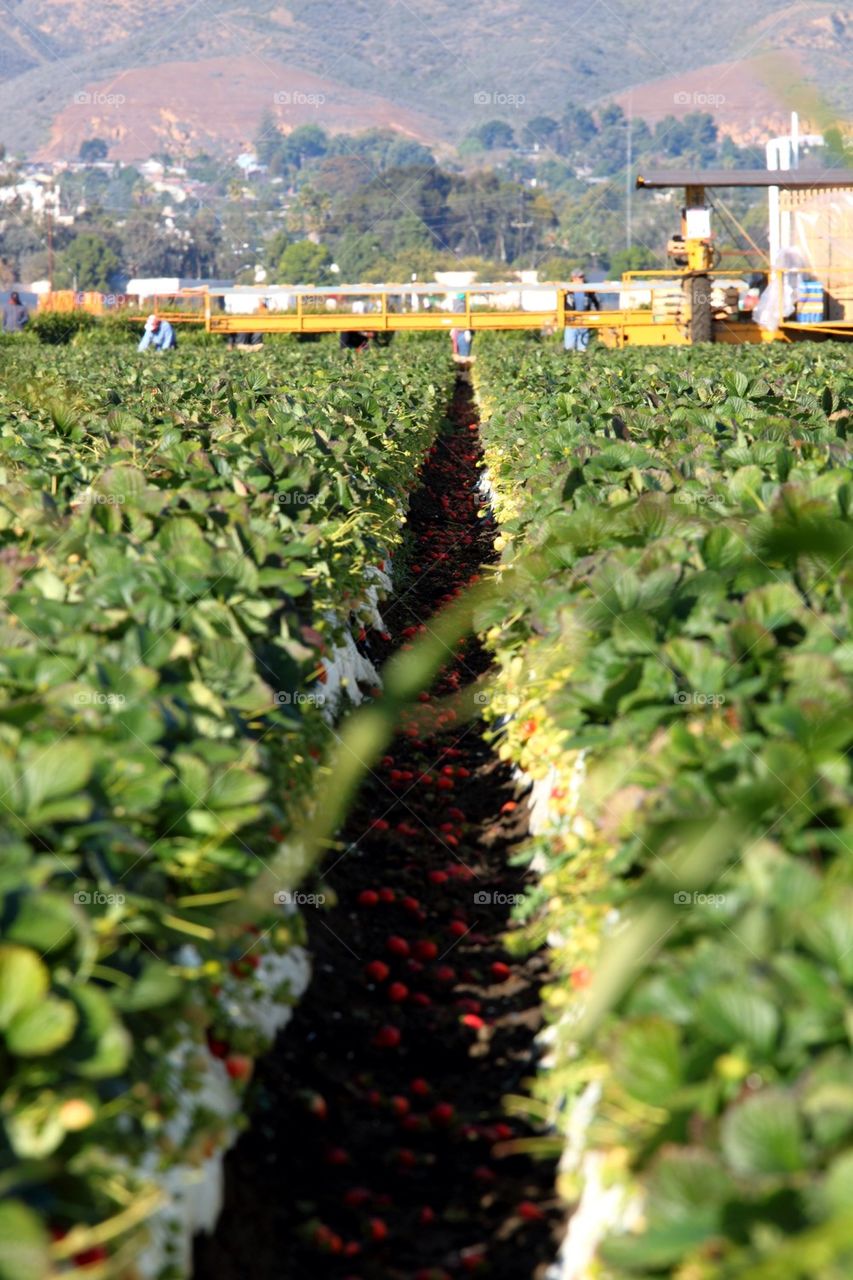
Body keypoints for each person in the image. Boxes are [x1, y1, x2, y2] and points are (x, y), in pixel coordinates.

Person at [564, 271, 600, 352]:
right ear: (573, 279)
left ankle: (581, 357)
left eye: (582, 277)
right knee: (569, 347)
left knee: (583, 348)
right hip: (571, 322)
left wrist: (597, 314)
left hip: (584, 322)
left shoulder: (588, 290)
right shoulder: (567, 291)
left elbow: (596, 302)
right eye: (579, 277)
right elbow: (561, 305)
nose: (581, 279)